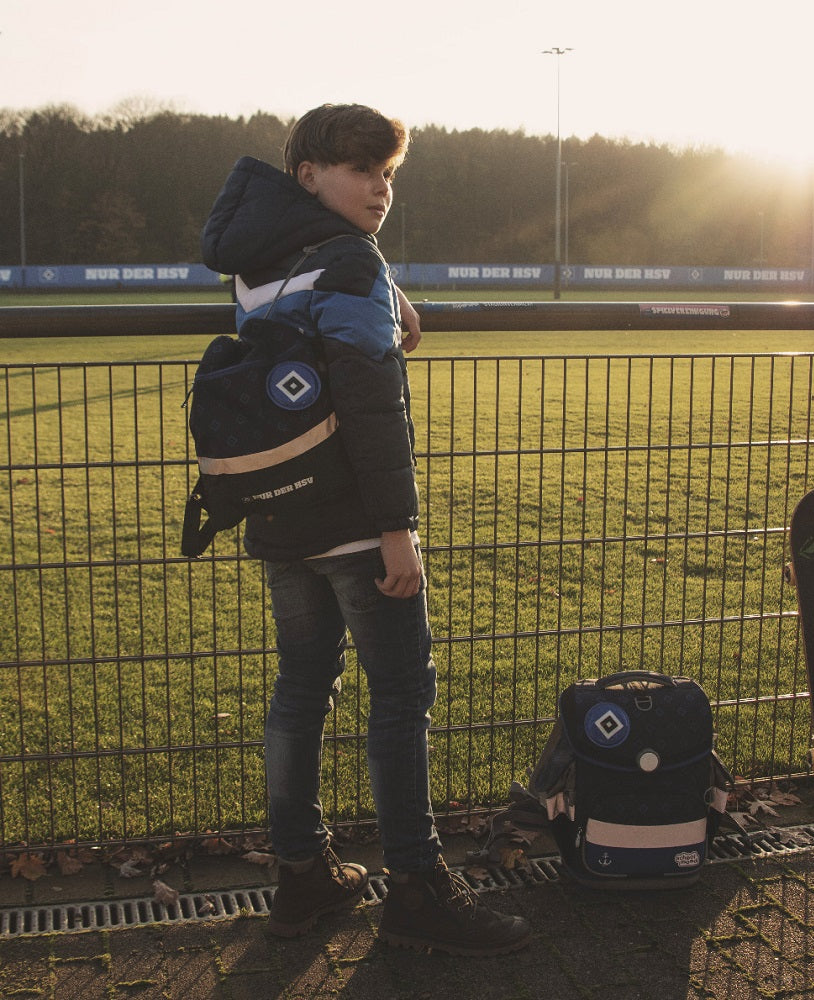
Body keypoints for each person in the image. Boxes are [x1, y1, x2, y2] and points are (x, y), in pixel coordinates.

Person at [200, 103, 530, 956]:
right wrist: (397, 530)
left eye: (389, 173)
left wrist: (388, 285)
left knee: (300, 694)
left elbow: (315, 308)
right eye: (363, 171)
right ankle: (418, 889)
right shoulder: (348, 261)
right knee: (400, 696)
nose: (381, 189)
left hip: (278, 517)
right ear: (308, 176)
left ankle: (302, 877)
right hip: (354, 518)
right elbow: (374, 406)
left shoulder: (259, 259)